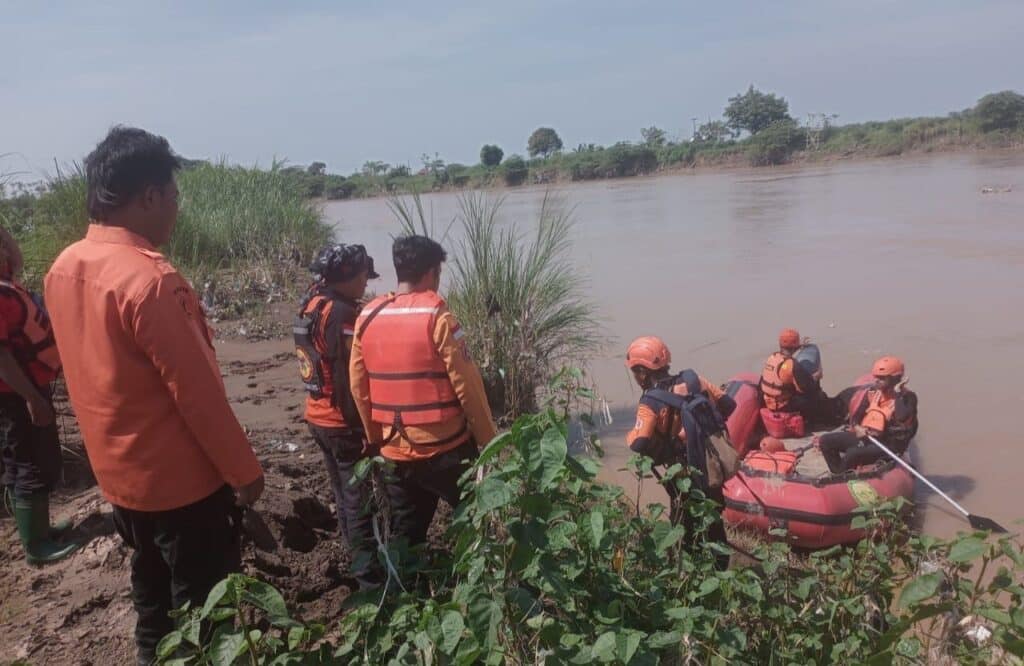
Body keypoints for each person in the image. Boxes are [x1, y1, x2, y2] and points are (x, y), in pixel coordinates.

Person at [44, 127, 264, 665]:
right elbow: (199, 397)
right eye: (173, 196)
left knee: (151, 598)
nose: (176, 209)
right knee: (205, 614)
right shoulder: (150, 282)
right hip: (183, 487)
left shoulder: (64, 266)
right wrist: (245, 474)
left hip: (121, 480)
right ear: (149, 197)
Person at [349, 235, 496, 547]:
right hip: (445, 448)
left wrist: (376, 439)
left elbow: (358, 387)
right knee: (475, 523)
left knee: (405, 534)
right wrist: (488, 441)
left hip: (394, 449)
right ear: (432, 273)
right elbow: (468, 387)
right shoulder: (439, 319)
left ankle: (405, 589)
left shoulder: (367, 317)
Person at [295, 243, 380, 588]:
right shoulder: (343, 313)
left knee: (344, 496)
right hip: (341, 421)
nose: (365, 282)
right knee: (358, 501)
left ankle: (355, 557)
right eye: (362, 276)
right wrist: (365, 429)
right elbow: (350, 378)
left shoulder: (312, 302)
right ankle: (368, 578)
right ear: (346, 277)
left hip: (317, 415)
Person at [0, 227, 79, 565]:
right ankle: (35, 546)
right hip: (16, 397)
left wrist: (4, 237)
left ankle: (41, 529)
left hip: (31, 389)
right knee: (25, 464)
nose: (6, 251)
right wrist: (31, 398)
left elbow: (15, 259)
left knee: (39, 457)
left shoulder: (7, 285)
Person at [623, 336, 736, 567]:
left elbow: (639, 443)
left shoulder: (650, 402)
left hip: (683, 472)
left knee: (683, 523)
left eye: (635, 372)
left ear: (643, 372)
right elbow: (729, 405)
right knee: (714, 522)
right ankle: (722, 572)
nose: (636, 378)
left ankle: (688, 574)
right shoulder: (696, 380)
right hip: (711, 463)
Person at [818, 356, 918, 474]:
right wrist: (858, 428)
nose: (876, 380)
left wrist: (897, 393)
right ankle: (838, 472)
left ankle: (841, 475)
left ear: (894, 379)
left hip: (890, 445)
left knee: (853, 453)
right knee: (826, 441)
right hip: (870, 438)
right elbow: (856, 418)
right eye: (876, 377)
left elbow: (902, 416)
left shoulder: (907, 398)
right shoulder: (873, 393)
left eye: (882, 378)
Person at [759, 328, 826, 426]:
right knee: (814, 395)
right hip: (784, 406)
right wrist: (816, 377)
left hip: (769, 401)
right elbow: (806, 389)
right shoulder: (792, 365)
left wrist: (798, 346)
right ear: (795, 345)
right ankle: (813, 420)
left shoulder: (772, 357)